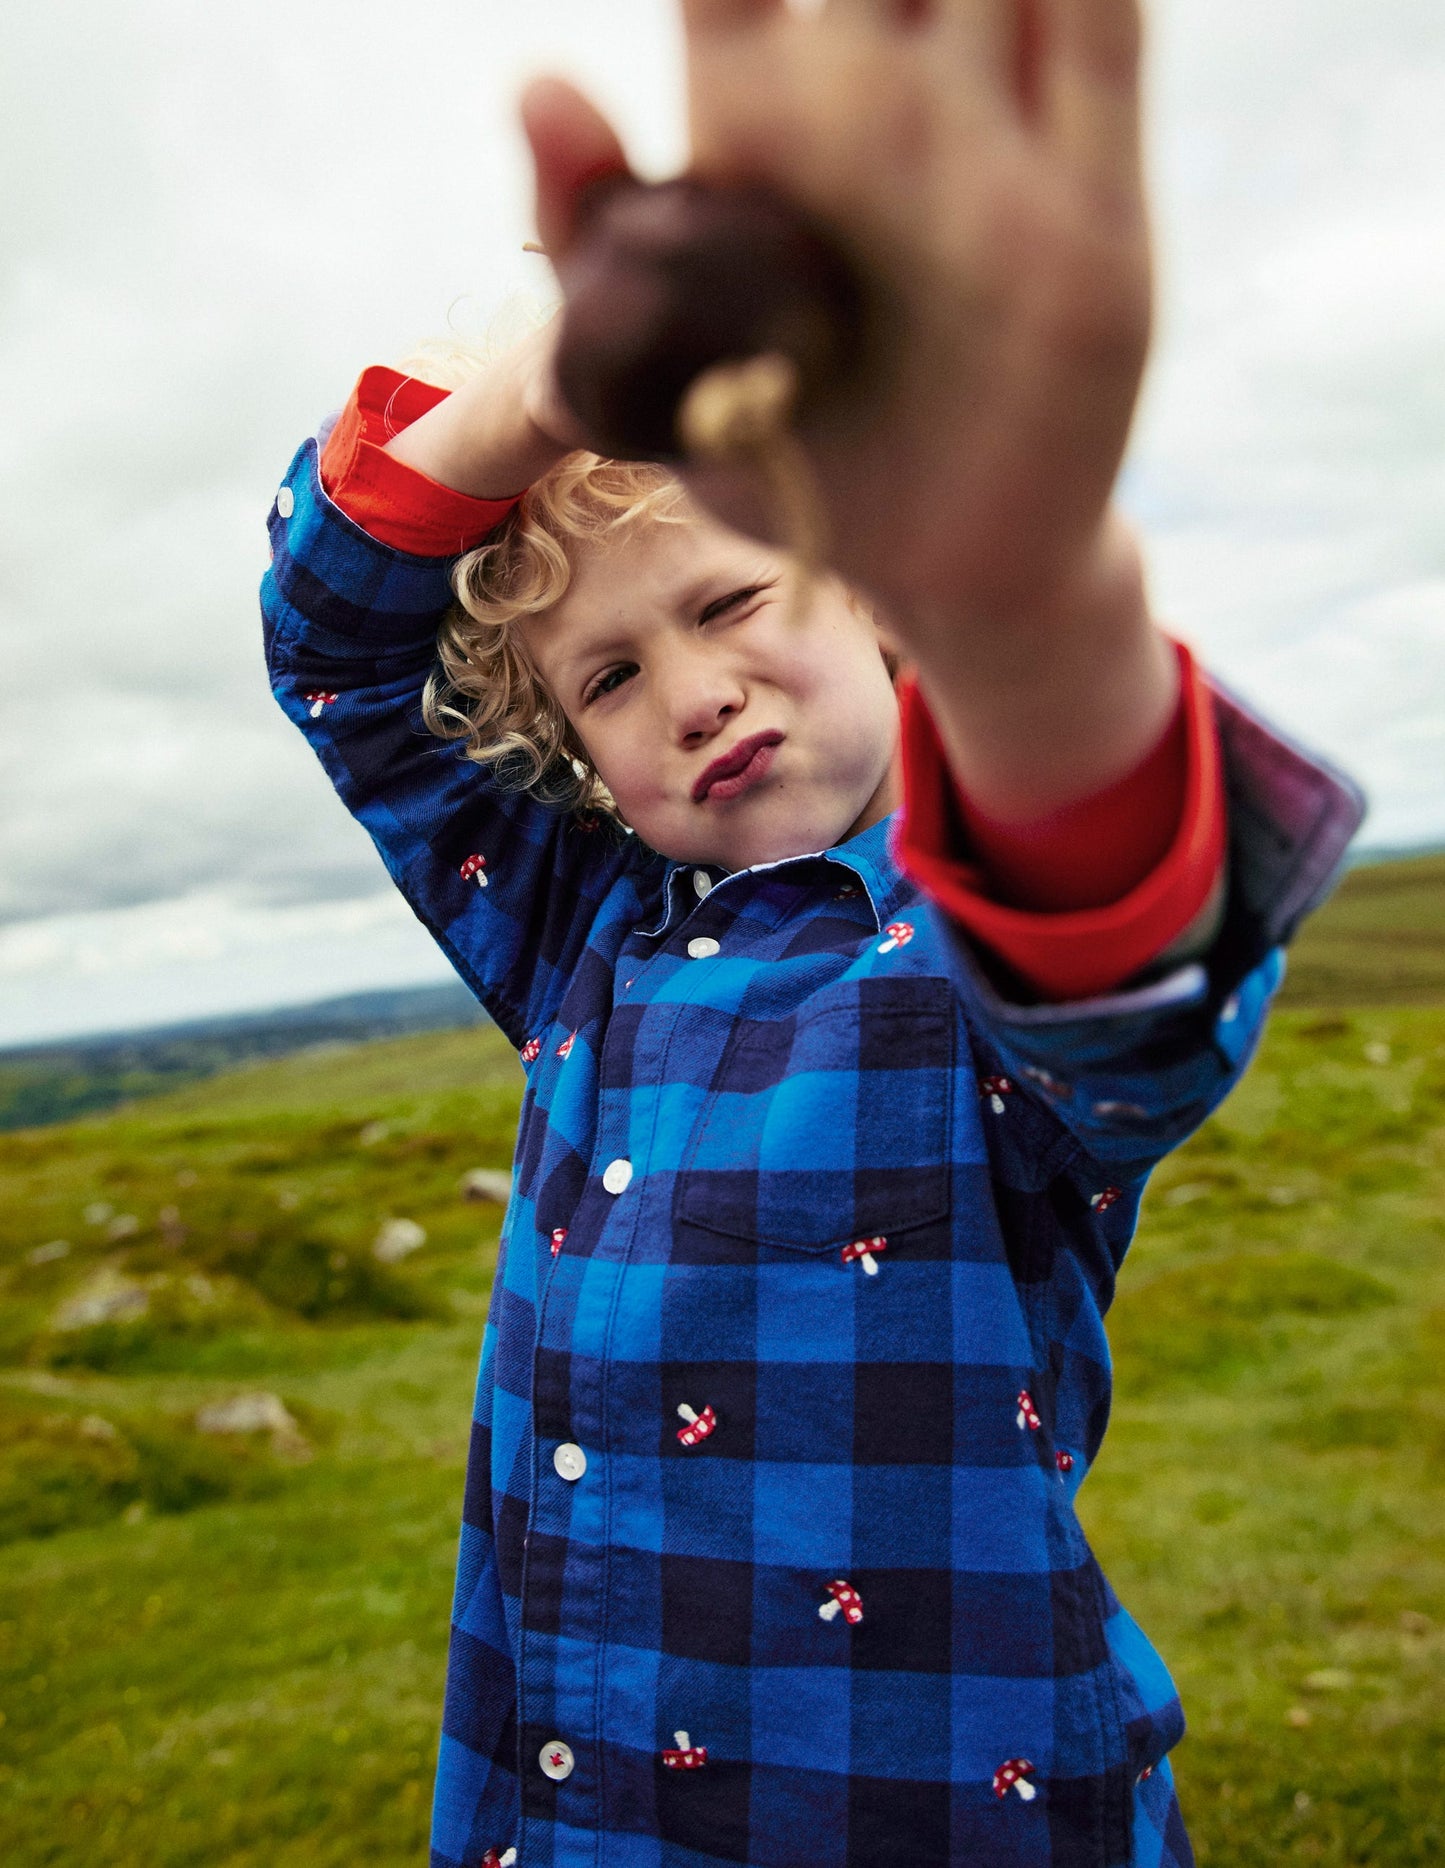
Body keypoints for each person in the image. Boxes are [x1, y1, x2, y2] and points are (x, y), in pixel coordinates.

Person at [260, 3, 1362, 1863]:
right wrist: (539, 398)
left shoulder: (962, 950)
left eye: (732, 594)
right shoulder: (580, 942)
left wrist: (1025, 625)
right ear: (574, 754)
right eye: (609, 675)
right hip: (565, 1811)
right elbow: (337, 650)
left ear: (873, 580)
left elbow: (1135, 995)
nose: (690, 691)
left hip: (933, 1805)